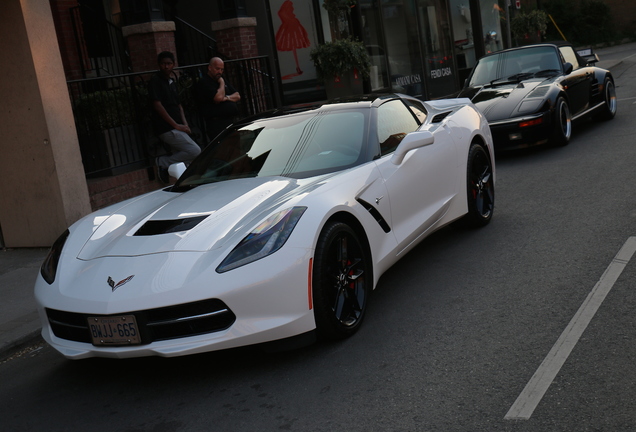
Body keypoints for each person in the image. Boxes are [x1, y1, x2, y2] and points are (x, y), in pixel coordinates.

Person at [148, 51, 201, 183]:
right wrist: (176, 125)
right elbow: (157, 105)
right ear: (159, 65)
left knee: (190, 153)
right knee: (195, 151)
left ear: (173, 64)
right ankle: (162, 162)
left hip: (178, 127)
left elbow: (179, 106)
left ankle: (173, 171)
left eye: (169, 64)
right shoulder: (155, 81)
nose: (166, 67)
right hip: (166, 128)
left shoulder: (171, 82)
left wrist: (185, 124)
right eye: (163, 64)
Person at [196, 57, 241, 143]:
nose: (220, 72)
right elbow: (218, 98)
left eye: (222, 69)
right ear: (210, 68)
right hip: (216, 123)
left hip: (230, 121)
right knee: (224, 150)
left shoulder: (221, 78)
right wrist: (222, 83)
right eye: (217, 69)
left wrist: (226, 98)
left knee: (236, 147)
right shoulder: (205, 82)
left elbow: (237, 95)